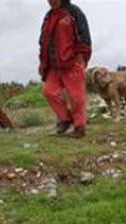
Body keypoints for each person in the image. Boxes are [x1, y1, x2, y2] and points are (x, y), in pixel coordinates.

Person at [39, 0, 92, 138]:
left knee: (76, 96)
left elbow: (84, 36)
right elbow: (43, 42)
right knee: (49, 91)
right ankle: (65, 119)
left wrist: (81, 57)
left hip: (71, 62)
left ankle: (80, 127)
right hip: (53, 65)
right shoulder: (48, 16)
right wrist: (42, 63)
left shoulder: (74, 12)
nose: (51, 1)